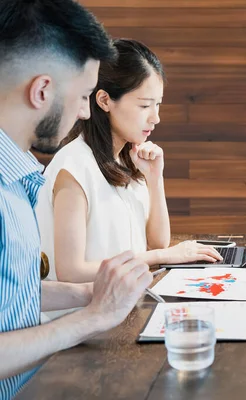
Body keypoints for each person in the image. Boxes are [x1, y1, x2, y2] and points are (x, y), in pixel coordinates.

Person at [0, 1, 154, 398]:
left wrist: (89, 294)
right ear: (42, 91)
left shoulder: (19, 178)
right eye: (85, 95)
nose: (87, 112)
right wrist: (92, 317)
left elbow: (12, 291)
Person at [36, 39, 222, 286]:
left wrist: (155, 179)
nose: (155, 118)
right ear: (104, 101)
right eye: (145, 105)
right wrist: (160, 257)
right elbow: (71, 271)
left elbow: (158, 242)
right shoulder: (74, 166)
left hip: (125, 303)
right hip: (86, 314)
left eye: (158, 104)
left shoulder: (126, 158)